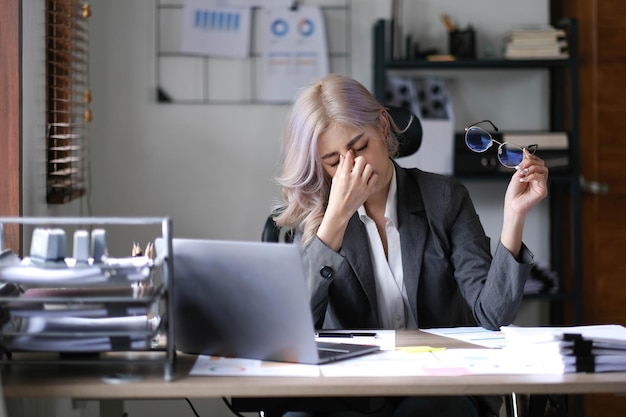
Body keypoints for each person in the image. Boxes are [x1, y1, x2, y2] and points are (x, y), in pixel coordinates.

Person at [272, 73, 549, 417]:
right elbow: (295, 330)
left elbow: (491, 316)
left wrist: (514, 217)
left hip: (439, 384)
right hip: (349, 389)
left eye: (360, 147)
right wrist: (337, 219)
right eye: (334, 161)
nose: (353, 167)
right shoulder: (316, 216)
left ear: (383, 127)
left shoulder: (444, 198)